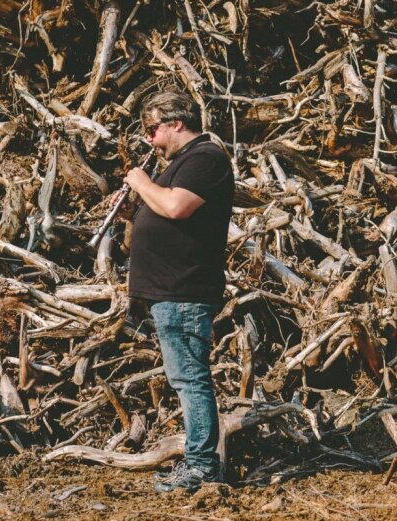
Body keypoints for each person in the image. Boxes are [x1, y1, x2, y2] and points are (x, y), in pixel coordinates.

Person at [124, 91, 234, 493]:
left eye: (153, 129)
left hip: (184, 290)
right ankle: (199, 462)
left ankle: (202, 466)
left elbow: (175, 208)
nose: (150, 140)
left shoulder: (205, 158)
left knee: (190, 378)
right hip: (169, 290)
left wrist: (140, 182)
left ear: (175, 123)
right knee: (184, 378)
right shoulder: (183, 164)